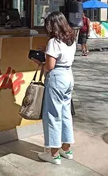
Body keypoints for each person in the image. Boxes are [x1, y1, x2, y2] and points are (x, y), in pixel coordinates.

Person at [38, 11, 76, 165]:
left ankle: (53, 154)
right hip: (68, 76)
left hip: (56, 78)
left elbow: (50, 66)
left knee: (53, 115)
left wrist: (41, 62)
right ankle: (66, 149)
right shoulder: (71, 39)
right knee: (66, 113)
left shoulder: (54, 42)